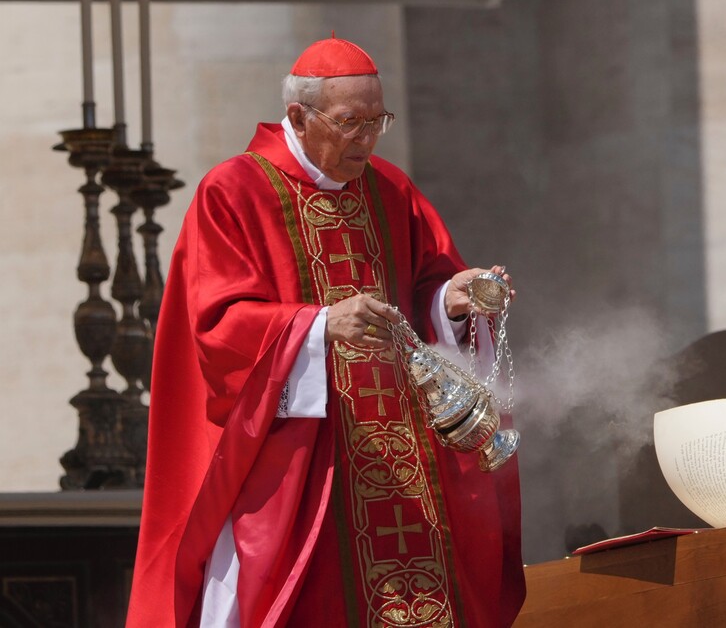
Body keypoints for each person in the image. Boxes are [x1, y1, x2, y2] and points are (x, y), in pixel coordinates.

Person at [127, 36, 524, 627]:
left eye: (378, 121)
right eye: (349, 123)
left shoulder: (391, 190)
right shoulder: (233, 192)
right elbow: (217, 328)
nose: (366, 139)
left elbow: (421, 295)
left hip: (406, 465)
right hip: (304, 468)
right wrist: (317, 326)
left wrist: (451, 301)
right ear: (298, 116)